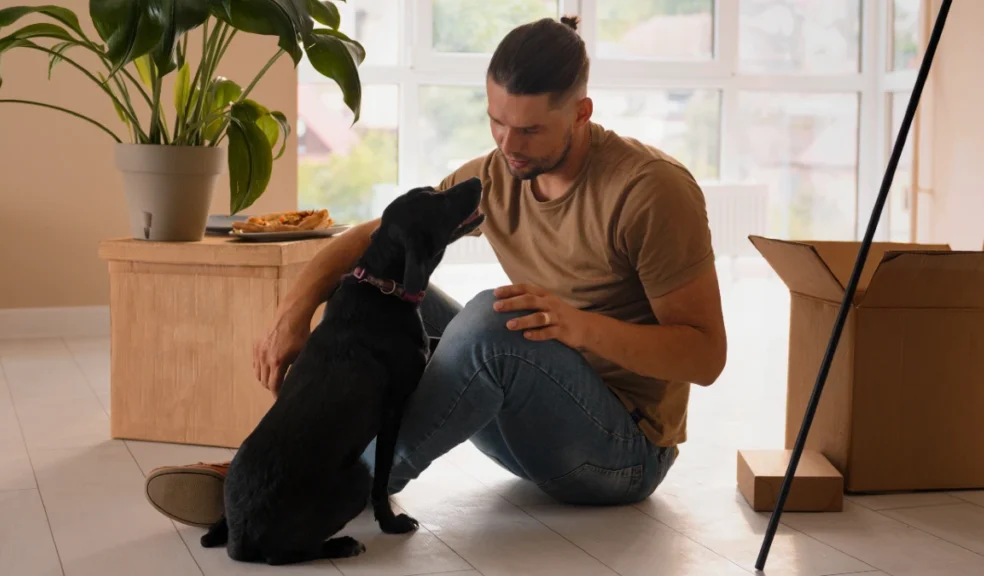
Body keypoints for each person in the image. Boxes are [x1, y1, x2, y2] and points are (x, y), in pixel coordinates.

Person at [143, 15, 727, 528]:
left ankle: (316, 490)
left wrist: (579, 327)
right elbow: (378, 238)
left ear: (581, 113)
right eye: (496, 122)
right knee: (378, 292)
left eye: (529, 130)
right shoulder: (500, 171)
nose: (509, 144)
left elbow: (706, 357)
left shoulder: (650, 191)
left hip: (621, 453)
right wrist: (293, 312)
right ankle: (276, 465)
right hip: (528, 428)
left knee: (491, 319)